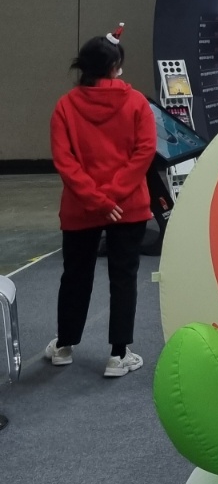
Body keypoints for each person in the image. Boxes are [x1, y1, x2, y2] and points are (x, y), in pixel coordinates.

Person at [44, 25, 157, 376]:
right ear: (114, 66)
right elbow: (145, 151)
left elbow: (65, 162)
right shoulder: (136, 102)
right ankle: (118, 355)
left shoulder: (65, 107)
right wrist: (115, 196)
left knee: (75, 276)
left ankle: (64, 345)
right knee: (123, 278)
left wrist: (96, 199)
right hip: (129, 207)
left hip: (80, 209)